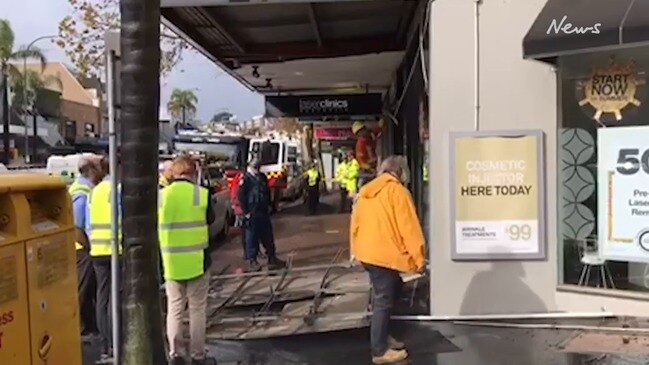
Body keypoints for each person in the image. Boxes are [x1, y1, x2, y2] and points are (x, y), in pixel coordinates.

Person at [350, 156, 425, 364]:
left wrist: (355, 250)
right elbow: (409, 228)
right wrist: (418, 260)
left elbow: (354, 224)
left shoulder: (366, 192)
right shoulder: (397, 192)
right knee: (384, 298)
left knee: (394, 289)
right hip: (384, 255)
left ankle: (383, 335)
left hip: (368, 253)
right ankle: (379, 350)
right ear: (399, 172)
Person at [159, 155, 217, 365]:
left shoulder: (161, 196)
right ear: (193, 173)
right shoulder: (202, 194)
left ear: (174, 173)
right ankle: (198, 355)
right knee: (197, 309)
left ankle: (176, 354)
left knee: (174, 309)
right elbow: (210, 219)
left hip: (171, 263)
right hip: (198, 262)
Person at [86, 156, 122, 360]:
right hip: (115, 249)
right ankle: (116, 342)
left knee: (103, 297)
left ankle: (105, 345)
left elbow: (86, 222)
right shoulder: (116, 191)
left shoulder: (94, 191)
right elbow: (124, 217)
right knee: (115, 299)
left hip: (97, 250)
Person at [69, 156, 103, 337]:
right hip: (81, 248)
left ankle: (89, 326)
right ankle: (76, 326)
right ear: (91, 170)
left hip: (81, 247)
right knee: (81, 289)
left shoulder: (82, 188)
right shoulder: (83, 193)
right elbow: (77, 224)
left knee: (88, 289)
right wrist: (87, 246)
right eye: (98, 167)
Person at [238, 158, 286, 272]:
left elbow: (267, 192)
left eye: (258, 167)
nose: (257, 170)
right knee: (252, 237)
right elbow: (241, 196)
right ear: (250, 167)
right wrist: (246, 212)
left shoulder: (262, 177)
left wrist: (270, 205)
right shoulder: (245, 179)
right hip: (252, 212)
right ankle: (253, 261)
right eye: (255, 167)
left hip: (263, 211)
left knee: (268, 236)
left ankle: (272, 258)